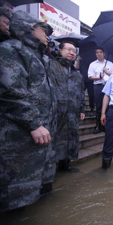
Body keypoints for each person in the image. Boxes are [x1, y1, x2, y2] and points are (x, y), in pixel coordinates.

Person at [0, 11, 56, 212]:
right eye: (43, 30)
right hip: (21, 134)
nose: (47, 35)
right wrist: (33, 123)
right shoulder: (11, 50)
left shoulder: (37, 55)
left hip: (40, 134)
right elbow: (10, 91)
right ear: (29, 28)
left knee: (34, 197)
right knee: (16, 198)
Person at [48, 41, 85, 172]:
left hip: (73, 113)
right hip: (56, 112)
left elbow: (81, 93)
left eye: (74, 51)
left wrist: (82, 109)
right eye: (68, 50)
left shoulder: (77, 74)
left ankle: (66, 164)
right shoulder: (51, 66)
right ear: (60, 50)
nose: (71, 53)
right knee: (56, 139)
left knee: (71, 138)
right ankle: (51, 169)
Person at [88, 47, 113, 134]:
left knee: (108, 106)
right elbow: (90, 76)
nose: (99, 54)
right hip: (98, 86)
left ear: (104, 53)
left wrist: (107, 72)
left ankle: (106, 125)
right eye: (97, 52)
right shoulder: (93, 64)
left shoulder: (110, 64)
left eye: (101, 52)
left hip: (108, 87)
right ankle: (98, 125)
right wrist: (98, 77)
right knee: (99, 106)